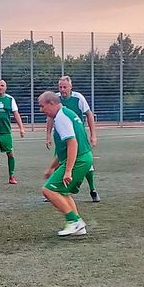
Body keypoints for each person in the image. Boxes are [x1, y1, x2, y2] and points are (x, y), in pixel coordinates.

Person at [39, 91, 93, 236]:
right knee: (62, 192)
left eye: (42, 106)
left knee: (48, 190)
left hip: (78, 159)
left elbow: (72, 144)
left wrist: (68, 170)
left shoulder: (61, 117)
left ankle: (74, 221)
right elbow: (64, 149)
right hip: (83, 158)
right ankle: (78, 225)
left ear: (51, 103)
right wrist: (52, 167)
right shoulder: (66, 113)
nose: (41, 110)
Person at [45, 76, 100, 202]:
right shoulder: (56, 99)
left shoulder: (78, 98)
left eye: (65, 87)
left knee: (84, 161)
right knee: (61, 159)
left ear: (71, 87)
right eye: (60, 87)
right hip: (61, 135)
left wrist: (93, 134)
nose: (62, 90)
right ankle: (55, 190)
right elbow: (50, 118)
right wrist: (48, 135)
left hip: (77, 135)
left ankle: (93, 190)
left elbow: (89, 114)